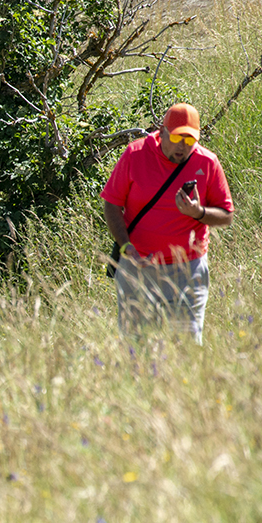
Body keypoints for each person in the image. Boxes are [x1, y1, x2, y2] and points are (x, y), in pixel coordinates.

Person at [101, 104, 234, 345]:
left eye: (189, 139)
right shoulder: (135, 155)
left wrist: (198, 212)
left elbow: (226, 215)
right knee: (137, 348)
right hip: (138, 267)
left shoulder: (207, 162)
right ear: (161, 132)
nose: (182, 146)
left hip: (187, 271)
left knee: (187, 350)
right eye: (176, 137)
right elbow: (111, 204)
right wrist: (125, 247)